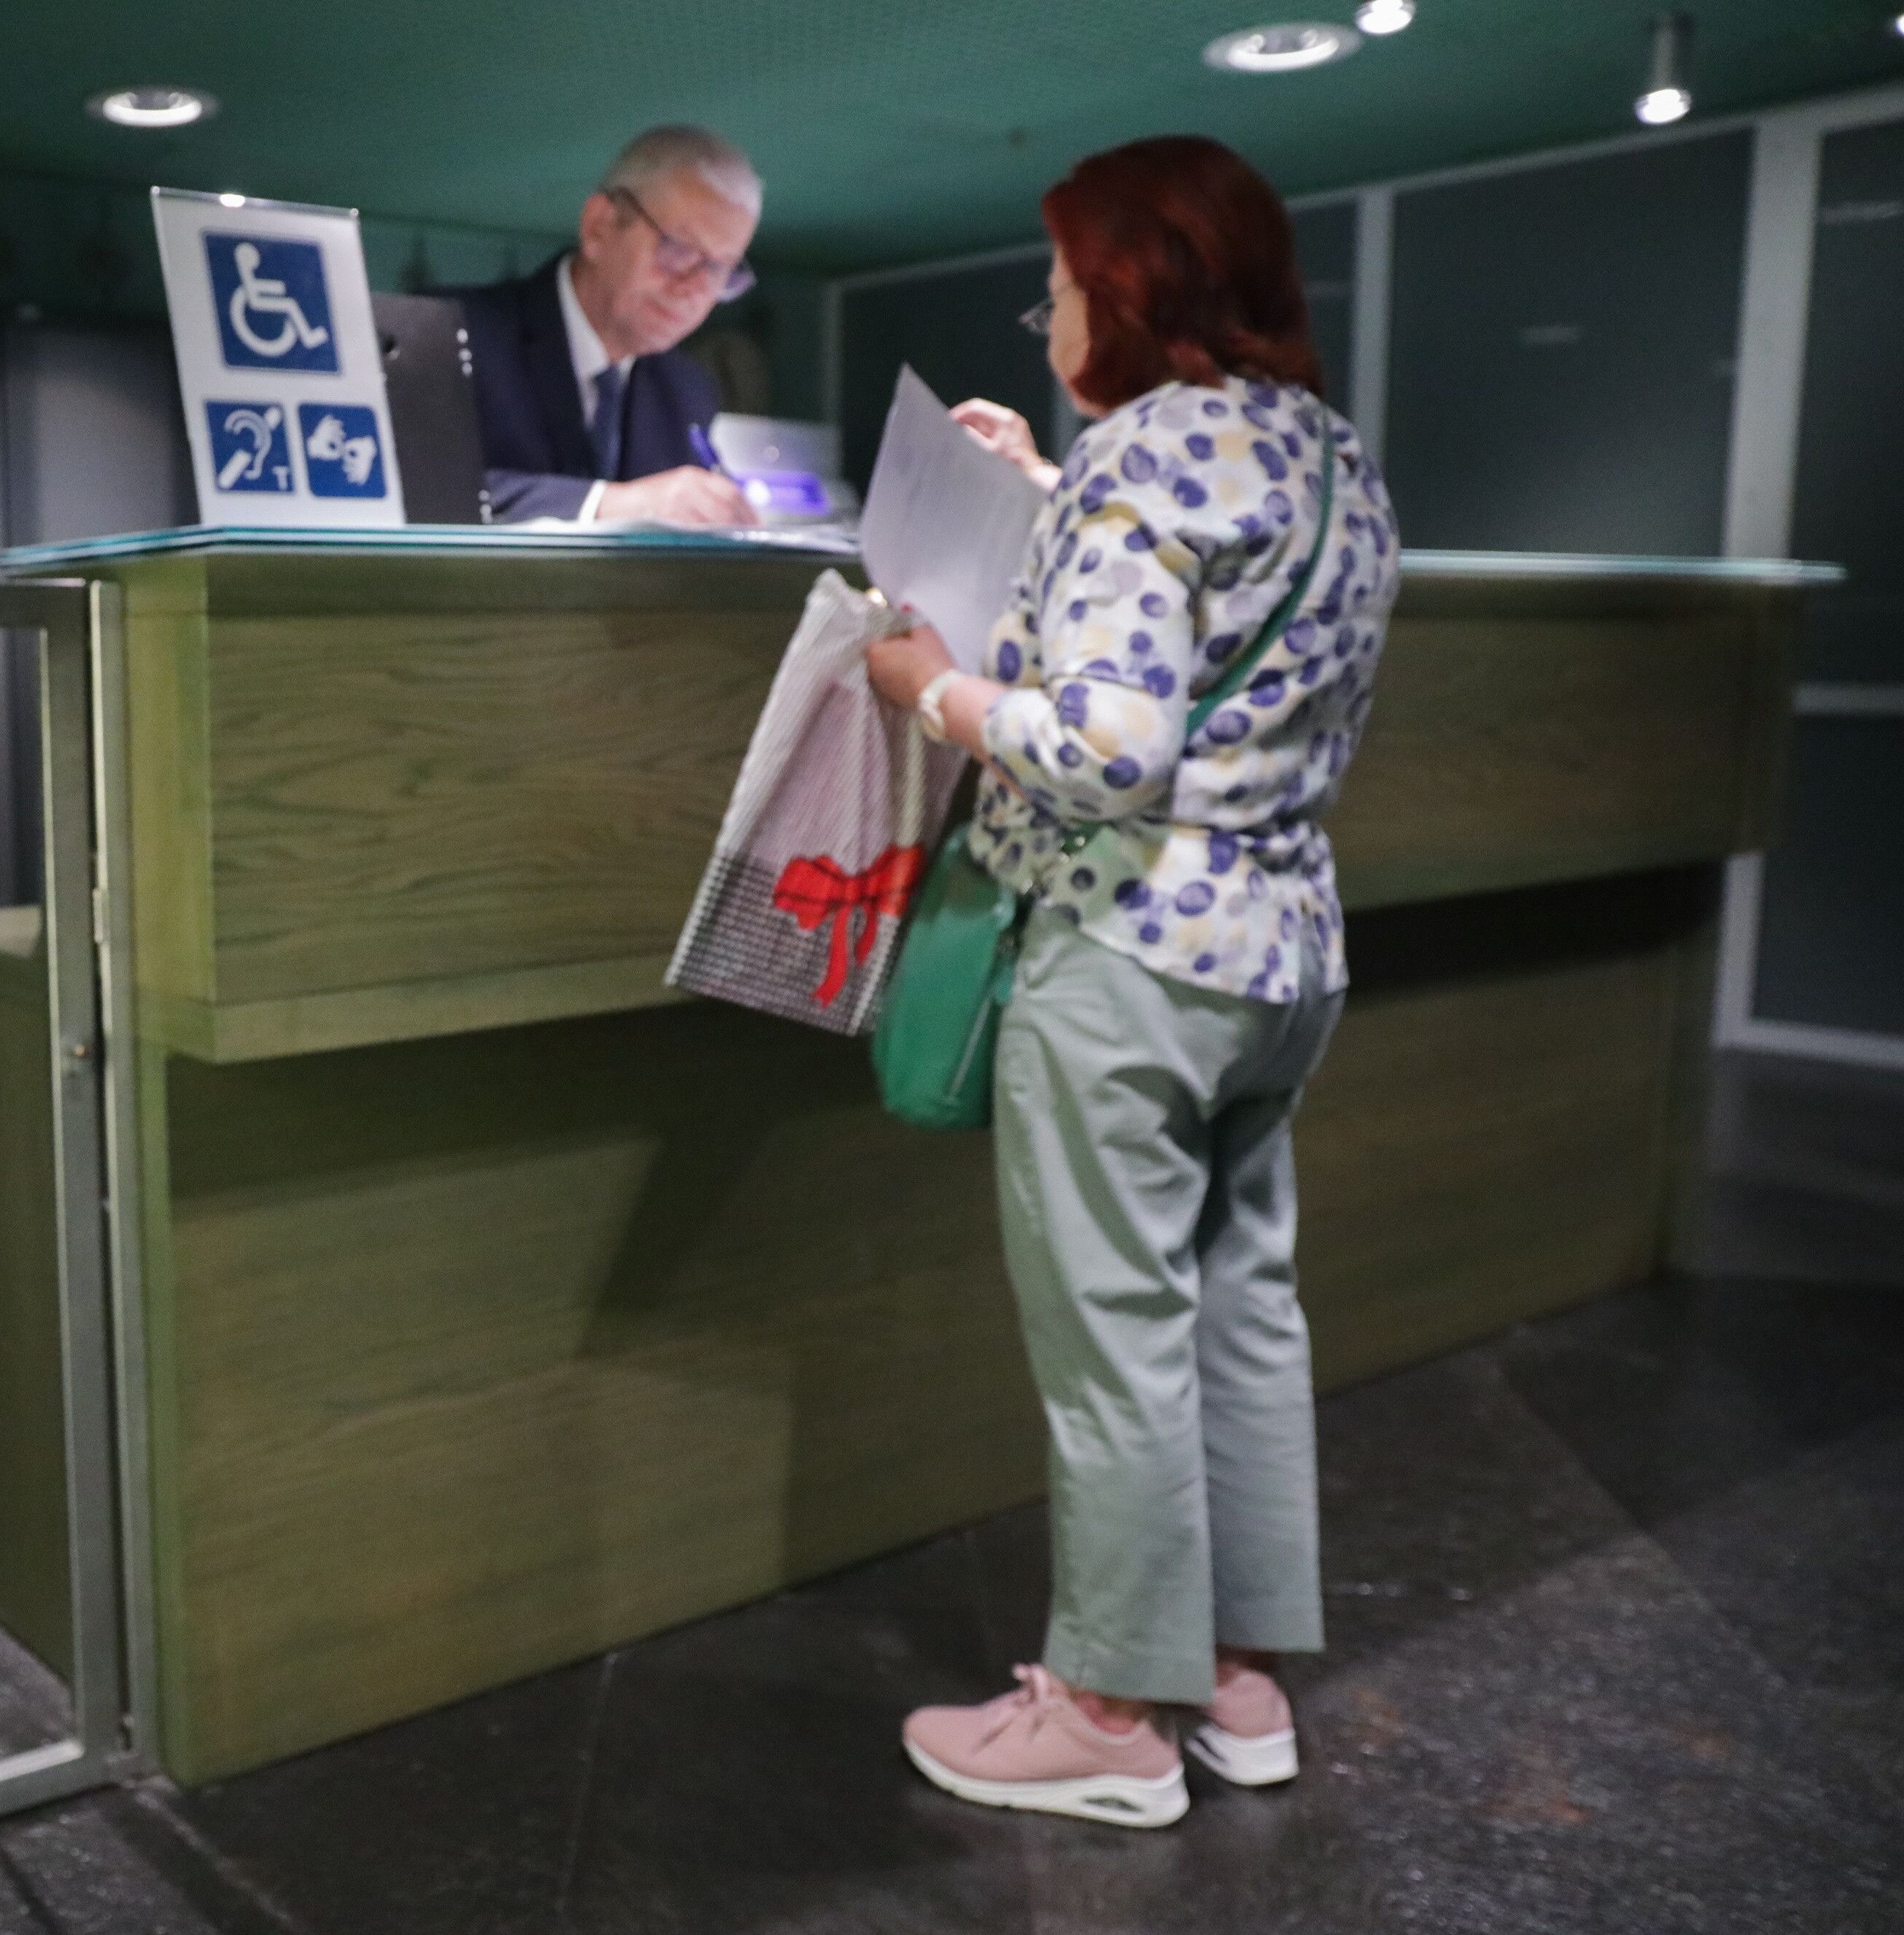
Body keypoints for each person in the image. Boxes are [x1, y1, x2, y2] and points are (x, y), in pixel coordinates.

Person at [861, 134, 1401, 1828]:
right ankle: (1231, 1683)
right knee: (1237, 1314)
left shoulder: (1135, 467)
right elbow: (1211, 643)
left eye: (1056, 287)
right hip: (1277, 959)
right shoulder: (1323, 458)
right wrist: (1048, 489)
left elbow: (1104, 748)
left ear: (1129, 292)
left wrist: (932, 691)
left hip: (1130, 963)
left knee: (1112, 1344)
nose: (1038, 319)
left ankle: (1102, 1711)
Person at [446, 125, 761, 525]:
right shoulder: (454, 335)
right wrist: (612, 504)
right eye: (679, 250)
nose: (695, 290)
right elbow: (416, 491)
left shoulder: (687, 391)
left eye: (720, 269)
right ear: (598, 227)